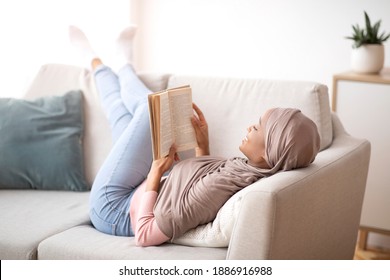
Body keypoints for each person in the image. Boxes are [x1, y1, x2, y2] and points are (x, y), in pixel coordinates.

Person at [69, 25, 321, 247]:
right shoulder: (250, 170)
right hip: (136, 193)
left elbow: (145, 235)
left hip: (113, 208)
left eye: (257, 127)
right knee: (121, 116)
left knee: (149, 109)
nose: (249, 128)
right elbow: (203, 186)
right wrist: (203, 146)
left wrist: (155, 173)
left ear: (270, 151)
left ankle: (120, 64)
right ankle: (99, 62)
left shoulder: (224, 185)